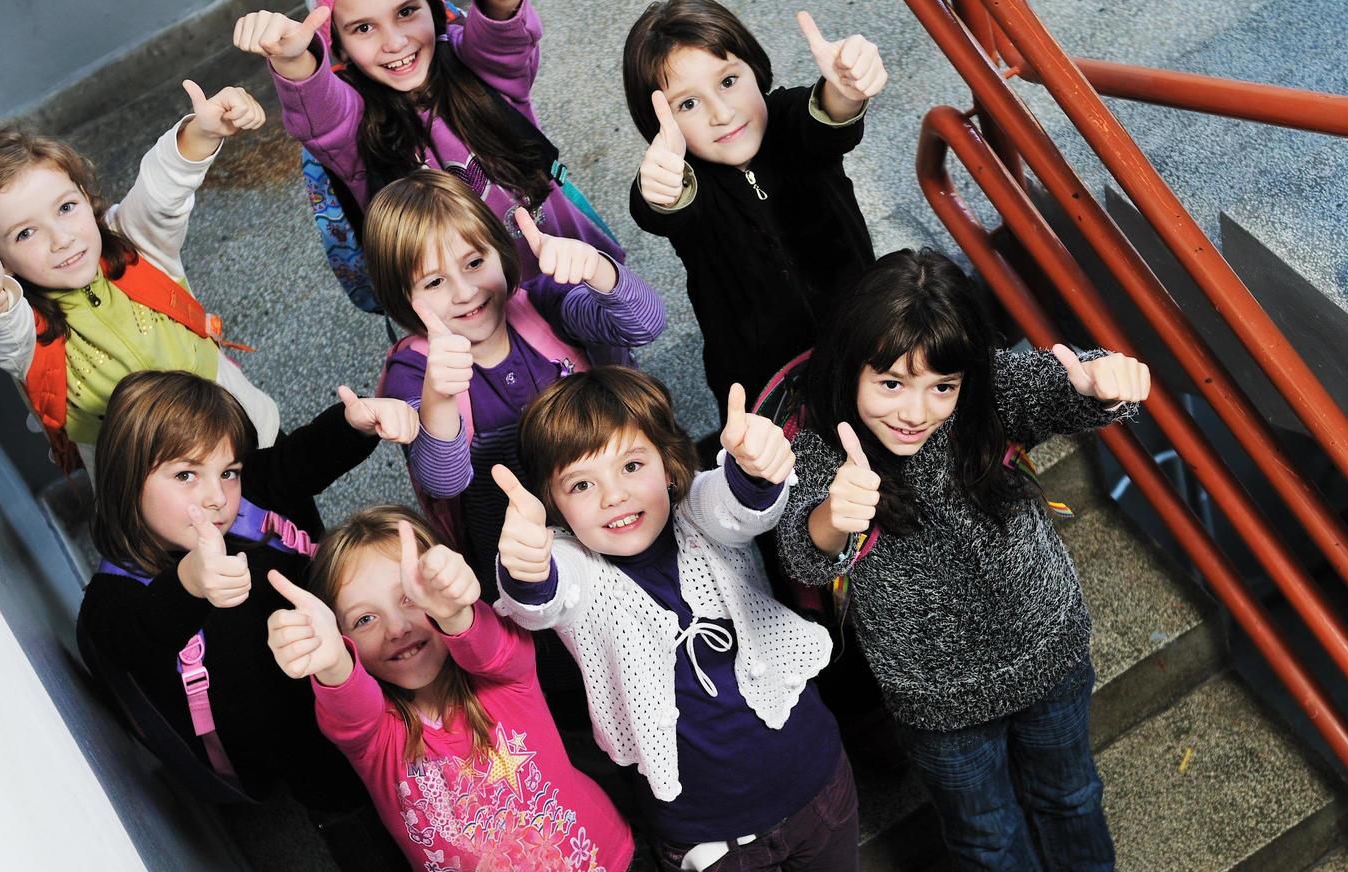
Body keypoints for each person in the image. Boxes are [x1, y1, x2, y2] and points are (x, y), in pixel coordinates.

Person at [774, 248, 1164, 872]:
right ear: (851, 367)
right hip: (934, 698)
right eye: (889, 383)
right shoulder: (826, 449)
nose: (914, 411)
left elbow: (1073, 388)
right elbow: (802, 554)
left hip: (1047, 649)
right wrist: (834, 516)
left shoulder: (990, 395)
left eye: (940, 385)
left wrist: (1108, 384)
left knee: (1073, 791)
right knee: (985, 833)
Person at [492, 365, 886, 872]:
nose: (615, 497)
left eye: (630, 466)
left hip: (818, 785)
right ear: (552, 504)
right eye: (581, 484)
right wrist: (523, 562)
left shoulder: (697, 505)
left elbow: (737, 507)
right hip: (713, 844)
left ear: (669, 463)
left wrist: (755, 469)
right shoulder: (571, 564)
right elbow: (540, 598)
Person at [76, 370, 424, 872]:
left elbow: (295, 462)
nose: (215, 496)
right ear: (127, 481)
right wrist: (190, 584)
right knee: (374, 863)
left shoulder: (242, 496)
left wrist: (354, 423)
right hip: (292, 741)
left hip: (344, 671)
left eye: (227, 472)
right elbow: (135, 633)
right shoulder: (112, 603)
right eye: (185, 475)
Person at [266, 504, 682, 872]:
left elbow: (488, 645)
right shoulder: (375, 737)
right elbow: (349, 706)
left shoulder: (504, 676)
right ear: (345, 640)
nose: (397, 628)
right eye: (364, 620)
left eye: (409, 597)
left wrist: (454, 611)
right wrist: (332, 664)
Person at [362, 167, 664, 595]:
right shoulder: (413, 373)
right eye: (435, 281)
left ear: (500, 251)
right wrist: (439, 396)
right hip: (529, 568)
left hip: (623, 518)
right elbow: (444, 481)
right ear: (400, 296)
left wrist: (599, 271)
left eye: (474, 262)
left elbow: (646, 325)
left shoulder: (545, 305)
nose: (466, 291)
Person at [0, 84, 278, 475]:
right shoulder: (23, 329)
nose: (61, 239)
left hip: (251, 442)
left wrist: (201, 133)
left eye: (65, 207)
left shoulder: (134, 242)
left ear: (84, 194)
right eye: (24, 233)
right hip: (155, 503)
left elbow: (161, 193)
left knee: (296, 518)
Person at [624, 0, 885, 422]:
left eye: (728, 80)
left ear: (755, 68)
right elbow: (658, 207)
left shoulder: (788, 119)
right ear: (659, 126)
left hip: (869, 340)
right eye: (687, 104)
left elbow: (826, 121)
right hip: (767, 390)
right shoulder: (687, 179)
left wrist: (845, 90)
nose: (722, 114)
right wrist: (659, 187)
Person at [234, 0, 621, 284]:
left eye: (406, 11)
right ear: (337, 44)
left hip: (575, 274)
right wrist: (292, 60)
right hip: (481, 325)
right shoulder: (353, 130)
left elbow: (503, 33)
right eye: (363, 28)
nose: (395, 42)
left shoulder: (479, 66)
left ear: (434, 8)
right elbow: (319, 111)